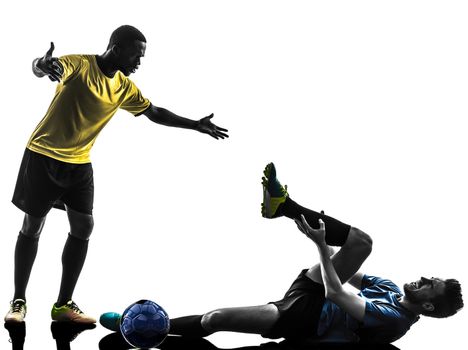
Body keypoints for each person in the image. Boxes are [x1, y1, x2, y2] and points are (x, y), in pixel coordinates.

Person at [4, 25, 228, 324]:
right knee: (33, 226)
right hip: (44, 155)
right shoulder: (80, 65)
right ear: (116, 48)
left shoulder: (123, 87)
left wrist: (194, 125)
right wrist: (42, 66)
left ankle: (63, 306)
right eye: (136, 55)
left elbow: (154, 112)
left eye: (142, 57)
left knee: (83, 227)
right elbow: (47, 67)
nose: (139, 62)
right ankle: (19, 301)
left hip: (79, 163)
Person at [167, 163, 463, 343]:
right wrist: (318, 233)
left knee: (214, 319)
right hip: (316, 289)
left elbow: (336, 292)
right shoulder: (388, 288)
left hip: (307, 319)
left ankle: (156, 329)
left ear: (428, 307)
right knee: (362, 243)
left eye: (430, 285)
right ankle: (285, 207)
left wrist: (321, 245)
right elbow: (342, 267)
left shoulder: (394, 319)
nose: (423, 277)